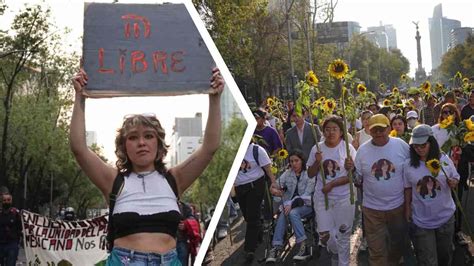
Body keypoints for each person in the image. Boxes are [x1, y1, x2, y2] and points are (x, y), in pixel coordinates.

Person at [70, 66, 223, 265]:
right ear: (124, 147)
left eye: (148, 136)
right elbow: (79, 148)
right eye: (133, 137)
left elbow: (210, 147)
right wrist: (80, 95)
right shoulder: (113, 180)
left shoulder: (174, 179)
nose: (141, 142)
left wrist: (215, 97)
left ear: (158, 144)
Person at [354, 114, 409, 266]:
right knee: (376, 249)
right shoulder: (362, 151)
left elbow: (413, 169)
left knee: (396, 244)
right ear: (369, 132)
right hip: (372, 209)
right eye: (374, 130)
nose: (378, 133)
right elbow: (357, 180)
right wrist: (351, 171)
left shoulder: (401, 145)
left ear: (389, 128)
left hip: (397, 207)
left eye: (382, 129)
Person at [403, 125, 459, 265]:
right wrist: (407, 209)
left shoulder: (443, 159)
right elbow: (408, 188)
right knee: (427, 260)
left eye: (423, 145)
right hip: (421, 220)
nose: (419, 149)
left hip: (445, 217)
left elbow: (455, 177)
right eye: (416, 146)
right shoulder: (409, 165)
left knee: (444, 256)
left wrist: (453, 182)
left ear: (431, 142)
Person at [307, 115, 356, 266]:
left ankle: (343, 263)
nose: (331, 132)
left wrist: (350, 168)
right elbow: (310, 173)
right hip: (323, 197)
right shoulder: (317, 148)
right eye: (327, 129)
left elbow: (353, 176)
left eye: (335, 129)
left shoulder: (347, 148)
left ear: (341, 132)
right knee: (325, 235)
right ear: (323, 132)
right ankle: (334, 252)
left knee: (343, 233)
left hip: (344, 197)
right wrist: (317, 161)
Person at [265, 150, 315, 263]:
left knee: (291, 212)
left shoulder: (309, 173)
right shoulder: (288, 173)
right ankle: (276, 247)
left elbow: (307, 196)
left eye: (296, 161)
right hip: (289, 207)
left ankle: (304, 246)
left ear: (302, 161)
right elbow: (275, 185)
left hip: (306, 205)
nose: (293, 164)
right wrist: (274, 190)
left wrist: (291, 204)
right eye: (291, 161)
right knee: (285, 212)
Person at [234, 142, 277, 262]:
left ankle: (249, 249)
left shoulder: (257, 150)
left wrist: (273, 183)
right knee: (248, 216)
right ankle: (258, 230)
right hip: (239, 187)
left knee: (252, 217)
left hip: (255, 185)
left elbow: (268, 170)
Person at [0, 193, 22, 266]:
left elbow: (21, 227)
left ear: (11, 201)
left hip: (12, 244)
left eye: (8, 200)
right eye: (4, 200)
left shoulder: (16, 213)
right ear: (1, 201)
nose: (6, 202)